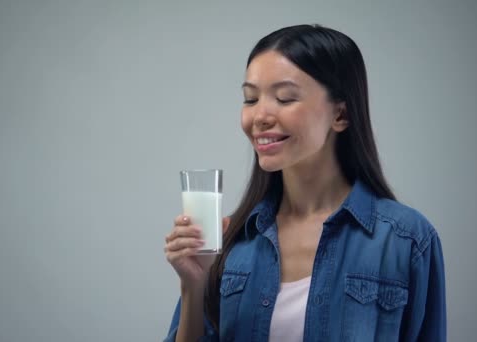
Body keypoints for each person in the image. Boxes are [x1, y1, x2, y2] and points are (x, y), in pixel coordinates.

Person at [163, 24, 446, 342]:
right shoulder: (232, 241)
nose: (260, 116)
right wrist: (193, 286)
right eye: (250, 99)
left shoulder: (406, 240)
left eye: (284, 98)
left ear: (340, 114)